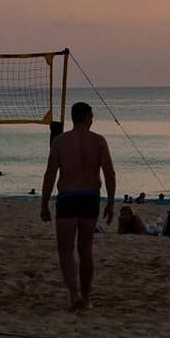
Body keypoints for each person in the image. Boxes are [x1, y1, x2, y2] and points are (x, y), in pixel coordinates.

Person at [40, 101, 118, 312]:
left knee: (65, 250)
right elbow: (109, 174)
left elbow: (50, 175)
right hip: (89, 196)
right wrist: (110, 203)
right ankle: (86, 298)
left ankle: (74, 294)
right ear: (87, 118)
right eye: (91, 117)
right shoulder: (98, 141)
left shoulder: (59, 142)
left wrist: (44, 203)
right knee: (85, 250)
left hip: (67, 196)